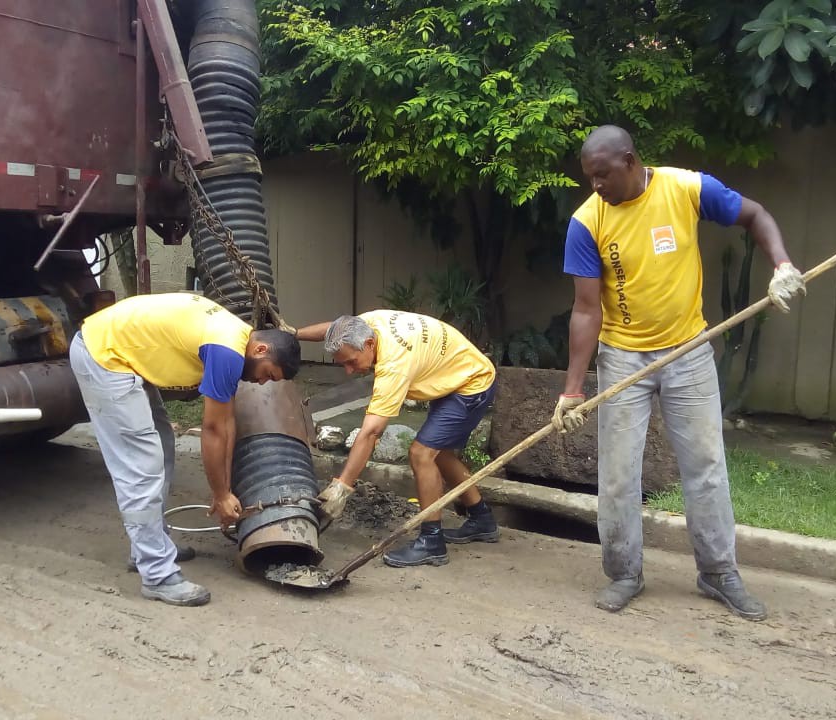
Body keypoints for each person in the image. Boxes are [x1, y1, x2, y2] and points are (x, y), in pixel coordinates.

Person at [553, 125, 806, 621]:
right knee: (618, 475)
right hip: (623, 355)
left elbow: (754, 214)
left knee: (706, 467)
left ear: (629, 161)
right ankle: (624, 572)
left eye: (602, 175)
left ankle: (718, 573)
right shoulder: (587, 222)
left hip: (688, 351)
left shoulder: (686, 188)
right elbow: (586, 309)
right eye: (589, 178)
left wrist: (781, 265)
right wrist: (573, 389)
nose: (595, 186)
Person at [70, 292, 301, 606]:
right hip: (103, 355)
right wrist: (219, 496)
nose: (261, 383)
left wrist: (227, 489)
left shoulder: (235, 339)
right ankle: (157, 575)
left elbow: (227, 423)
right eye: (267, 374)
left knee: (163, 443)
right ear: (261, 349)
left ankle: (150, 546)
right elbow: (213, 429)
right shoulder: (226, 350)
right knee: (141, 466)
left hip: (121, 351)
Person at [296, 311, 496, 567]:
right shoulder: (366, 325)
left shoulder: (394, 364)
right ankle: (482, 519)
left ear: (368, 344)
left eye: (352, 361)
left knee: (421, 453)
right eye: (343, 363)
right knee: (440, 453)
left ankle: (432, 542)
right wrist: (295, 334)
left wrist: (341, 487)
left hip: (471, 384)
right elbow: (333, 328)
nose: (348, 371)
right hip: (452, 373)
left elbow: (371, 432)